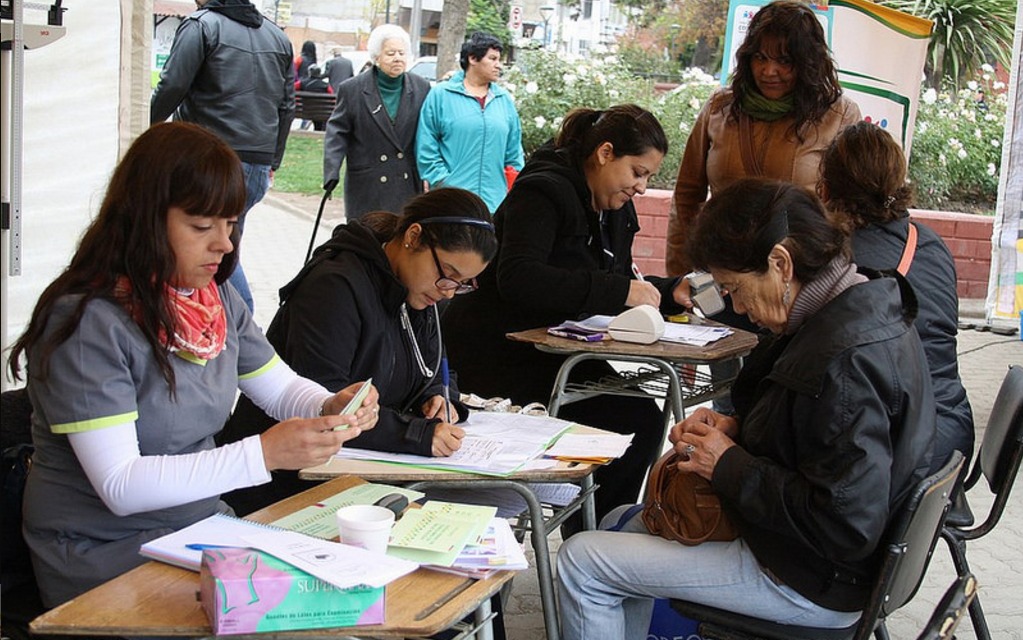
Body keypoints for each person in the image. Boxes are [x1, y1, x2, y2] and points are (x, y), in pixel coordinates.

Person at [8, 122, 380, 608]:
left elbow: (278, 386)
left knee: (346, 594)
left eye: (230, 225)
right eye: (202, 226)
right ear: (143, 219)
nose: (223, 244)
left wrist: (328, 403)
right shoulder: (88, 322)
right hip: (101, 551)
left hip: (195, 528)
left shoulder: (210, 296)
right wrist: (262, 454)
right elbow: (120, 485)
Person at [556, 178, 937, 639]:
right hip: (821, 562)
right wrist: (738, 427)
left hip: (811, 578)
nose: (734, 306)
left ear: (780, 264)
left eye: (734, 288)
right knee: (623, 525)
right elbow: (818, 441)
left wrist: (727, 463)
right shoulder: (863, 303)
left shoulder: (842, 360)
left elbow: (844, 525)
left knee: (582, 560)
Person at [442, 104, 687, 523]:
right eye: (638, 172)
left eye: (648, 177)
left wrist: (668, 291)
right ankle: (591, 537)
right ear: (605, 153)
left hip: (559, 353)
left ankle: (599, 534)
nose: (642, 187)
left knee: (642, 420)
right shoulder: (543, 191)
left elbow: (615, 279)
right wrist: (621, 291)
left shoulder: (616, 208)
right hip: (497, 354)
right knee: (625, 420)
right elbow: (519, 276)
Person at [221, 188, 497, 514]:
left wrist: (438, 398)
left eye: (462, 284)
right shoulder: (334, 286)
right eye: (448, 276)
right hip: (287, 485)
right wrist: (417, 434)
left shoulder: (421, 290)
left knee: (499, 501)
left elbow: (432, 366)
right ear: (413, 236)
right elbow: (324, 399)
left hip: (369, 473)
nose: (449, 292)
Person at [664, 0, 861, 412]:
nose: (770, 71)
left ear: (808, 63)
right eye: (761, 58)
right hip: (724, 290)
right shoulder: (720, 108)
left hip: (794, 292)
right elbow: (686, 197)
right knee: (728, 407)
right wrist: (682, 285)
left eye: (785, 61)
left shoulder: (838, 115)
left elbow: (849, 209)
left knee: (783, 411)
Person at [819, 121, 974, 471]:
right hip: (952, 434)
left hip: (897, 449)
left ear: (825, 190)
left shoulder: (834, 262)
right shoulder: (931, 243)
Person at [151, 0, 295, 315]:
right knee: (223, 241)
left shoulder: (201, 25)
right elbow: (287, 107)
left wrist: (145, 127)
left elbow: (173, 84)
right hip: (256, 162)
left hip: (210, 159)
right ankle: (222, 325)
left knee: (211, 247)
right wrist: (273, 161)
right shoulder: (277, 36)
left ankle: (240, 322)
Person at [323, 24, 431, 222]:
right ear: (376, 57)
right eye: (390, 53)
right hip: (368, 185)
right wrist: (331, 172)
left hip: (406, 184)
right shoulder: (352, 89)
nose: (397, 58)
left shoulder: (421, 87)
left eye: (402, 52)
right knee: (366, 244)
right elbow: (337, 133)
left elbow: (429, 133)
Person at [416, 31, 524, 214]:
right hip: (451, 203)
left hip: (495, 205)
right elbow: (426, 148)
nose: (499, 66)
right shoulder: (440, 96)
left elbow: (514, 153)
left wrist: (511, 187)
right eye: (493, 59)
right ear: (473, 59)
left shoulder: (504, 100)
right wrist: (444, 183)